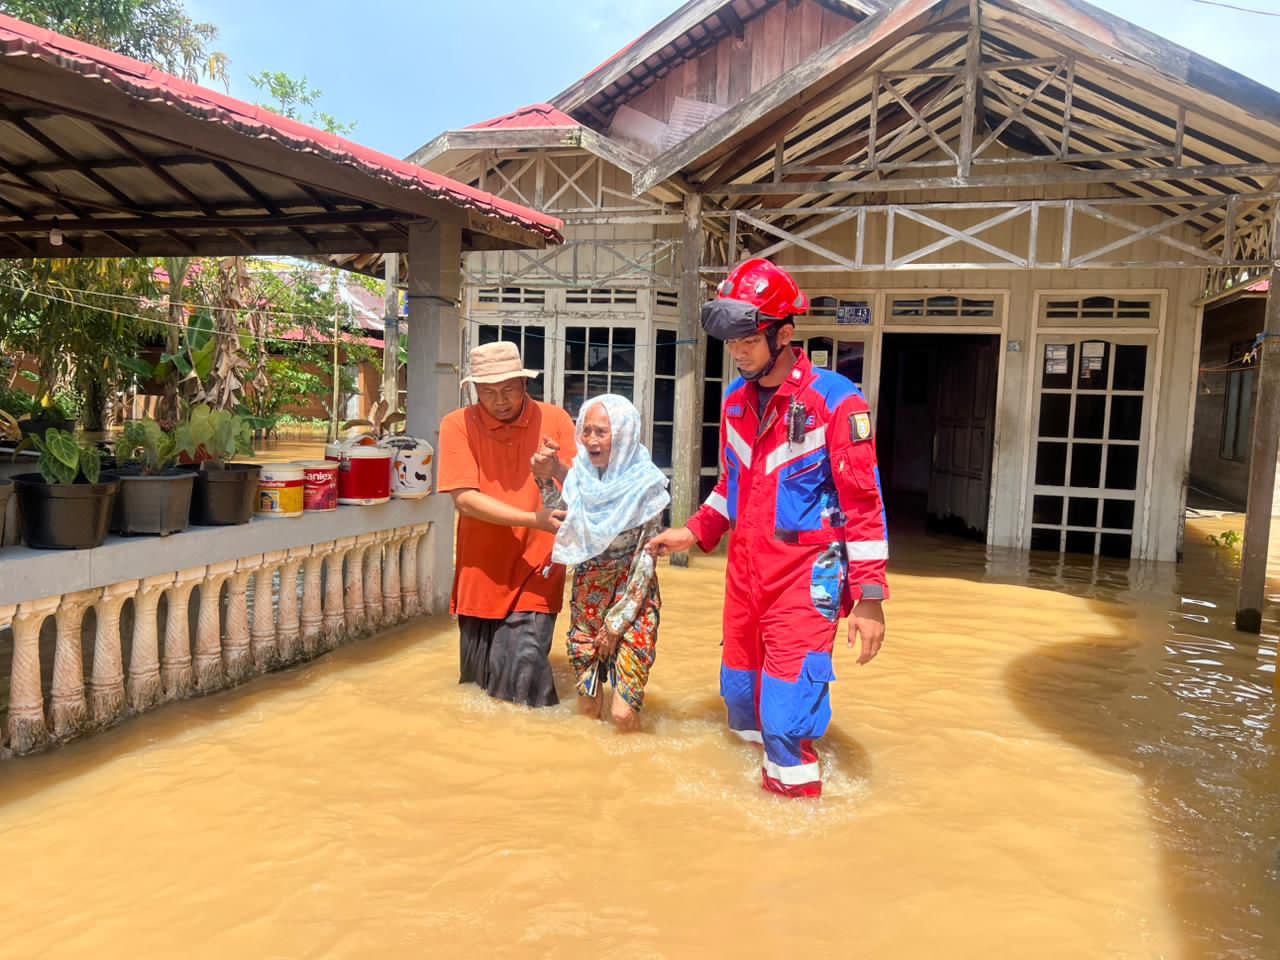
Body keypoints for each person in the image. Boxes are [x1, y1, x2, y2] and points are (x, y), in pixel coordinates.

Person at [646, 258, 889, 798]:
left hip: (807, 579)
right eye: (733, 342)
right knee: (739, 699)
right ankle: (759, 807)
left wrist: (869, 598)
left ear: (784, 334)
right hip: (745, 577)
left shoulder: (836, 402)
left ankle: (797, 818)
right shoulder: (735, 402)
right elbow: (730, 486)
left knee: (784, 721)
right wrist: (693, 531)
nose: (738, 352)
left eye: (749, 340)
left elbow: (864, 506)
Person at [436, 341, 577, 708]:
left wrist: (555, 468)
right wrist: (534, 519)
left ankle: (542, 743)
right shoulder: (457, 424)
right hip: (480, 572)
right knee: (477, 688)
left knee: (523, 686)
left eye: (509, 390)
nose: (500, 401)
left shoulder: (555, 420)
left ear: (524, 383)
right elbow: (464, 499)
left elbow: (582, 488)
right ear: (474, 390)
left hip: (538, 566)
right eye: (488, 392)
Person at [531, 395, 669, 732]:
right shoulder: (581, 477)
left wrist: (617, 623)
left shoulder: (647, 485)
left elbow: (646, 559)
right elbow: (565, 523)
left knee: (622, 713)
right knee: (588, 708)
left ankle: (635, 760)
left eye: (601, 432)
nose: (591, 439)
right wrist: (545, 478)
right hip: (588, 597)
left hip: (633, 600)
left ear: (623, 434)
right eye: (586, 430)